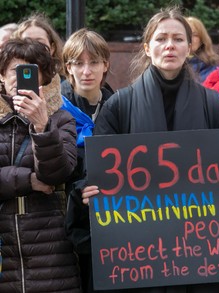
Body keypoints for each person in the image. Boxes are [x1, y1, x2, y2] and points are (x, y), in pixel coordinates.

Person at [74, 7, 219, 293]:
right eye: (161, 38)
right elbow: (96, 173)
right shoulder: (119, 107)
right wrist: (89, 191)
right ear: (147, 47)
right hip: (139, 260)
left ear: (190, 47)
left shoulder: (213, 105)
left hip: (200, 257)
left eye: (178, 39)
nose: (170, 45)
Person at [0, 38, 80, 292]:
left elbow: (58, 173)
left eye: (30, 71)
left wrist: (42, 127)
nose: (21, 77)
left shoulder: (60, 119)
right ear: (1, 76)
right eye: (14, 70)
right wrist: (28, 180)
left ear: (43, 78)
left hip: (52, 249)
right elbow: (38, 179)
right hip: (5, 248)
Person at [60, 27, 114, 293]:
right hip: (65, 225)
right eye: (78, 63)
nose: (86, 71)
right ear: (67, 68)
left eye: (94, 62)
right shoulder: (55, 112)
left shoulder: (120, 108)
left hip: (109, 228)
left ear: (106, 65)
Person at [13, 12, 65, 78]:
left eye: (40, 43)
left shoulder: (65, 84)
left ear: (52, 48)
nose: (33, 47)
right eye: (27, 42)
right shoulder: (10, 81)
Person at [185, 16, 219, 83]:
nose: (189, 38)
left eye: (194, 35)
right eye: (186, 34)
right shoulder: (172, 66)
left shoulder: (214, 67)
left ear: (202, 40)